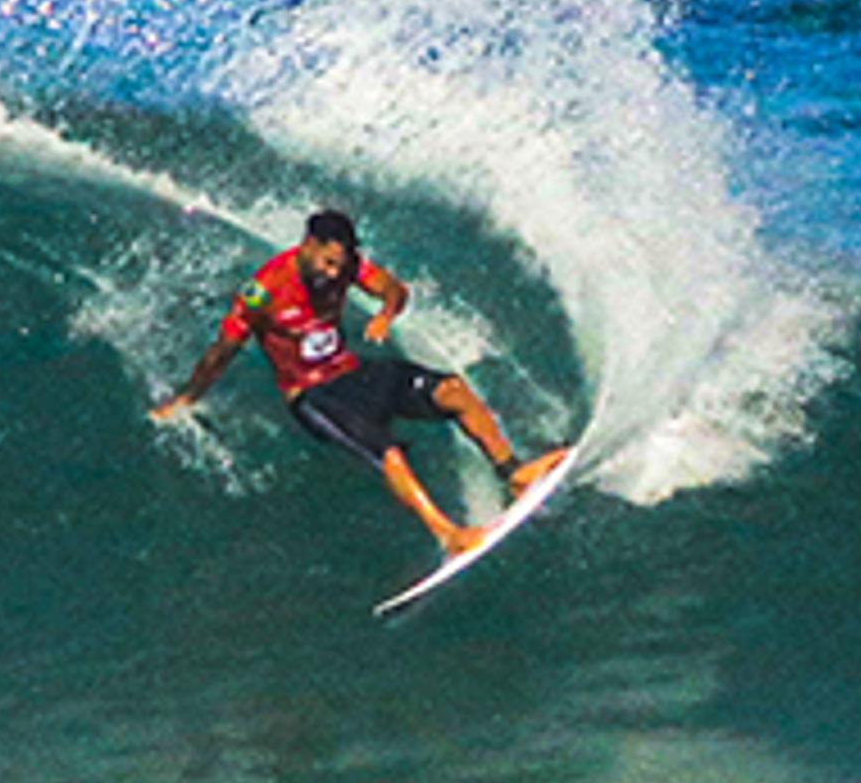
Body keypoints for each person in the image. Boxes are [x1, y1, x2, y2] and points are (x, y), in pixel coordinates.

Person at [152, 208, 569, 555]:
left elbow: (393, 289)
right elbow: (222, 351)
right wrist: (187, 398)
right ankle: (449, 535)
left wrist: (386, 314)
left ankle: (512, 473)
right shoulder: (264, 291)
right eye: (328, 262)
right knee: (385, 449)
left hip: (351, 372)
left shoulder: (347, 267)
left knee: (453, 392)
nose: (335, 274)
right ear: (307, 245)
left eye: (341, 265)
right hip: (311, 397)